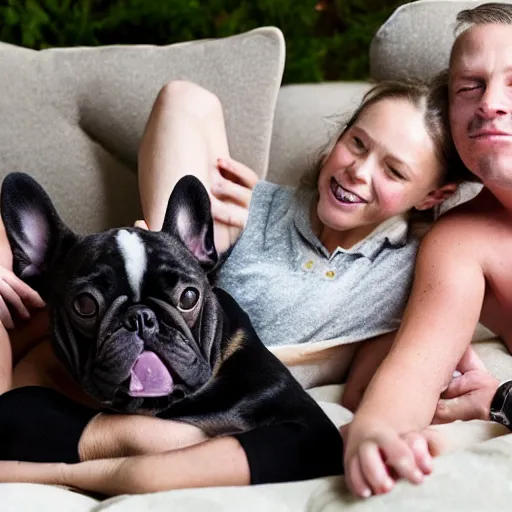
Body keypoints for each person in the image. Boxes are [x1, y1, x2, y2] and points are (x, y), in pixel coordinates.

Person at [0, 75, 468, 494]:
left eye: (395, 170)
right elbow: (184, 101)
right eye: (357, 143)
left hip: (175, 382)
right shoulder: (247, 208)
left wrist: (459, 370)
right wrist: (240, 217)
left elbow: (415, 353)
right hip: (84, 321)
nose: (358, 171)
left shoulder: (411, 267)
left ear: (433, 195)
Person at [344, 2, 512, 499]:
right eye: (469, 87)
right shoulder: (459, 243)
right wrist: (374, 433)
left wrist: (503, 399)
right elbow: (412, 376)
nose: (491, 103)